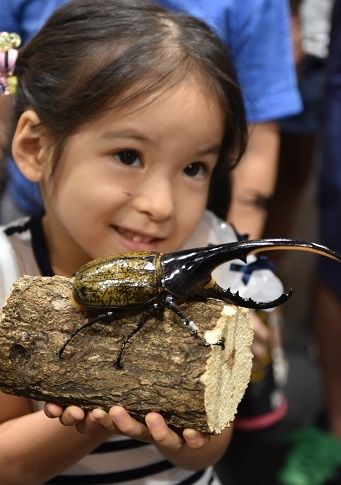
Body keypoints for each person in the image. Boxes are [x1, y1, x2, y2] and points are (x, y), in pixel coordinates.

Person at [0, 1, 290, 482]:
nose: (161, 205)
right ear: (35, 147)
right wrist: (98, 411)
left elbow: (210, 445)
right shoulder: (8, 272)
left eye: (194, 168)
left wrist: (191, 423)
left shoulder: (208, 252)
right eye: (128, 155)